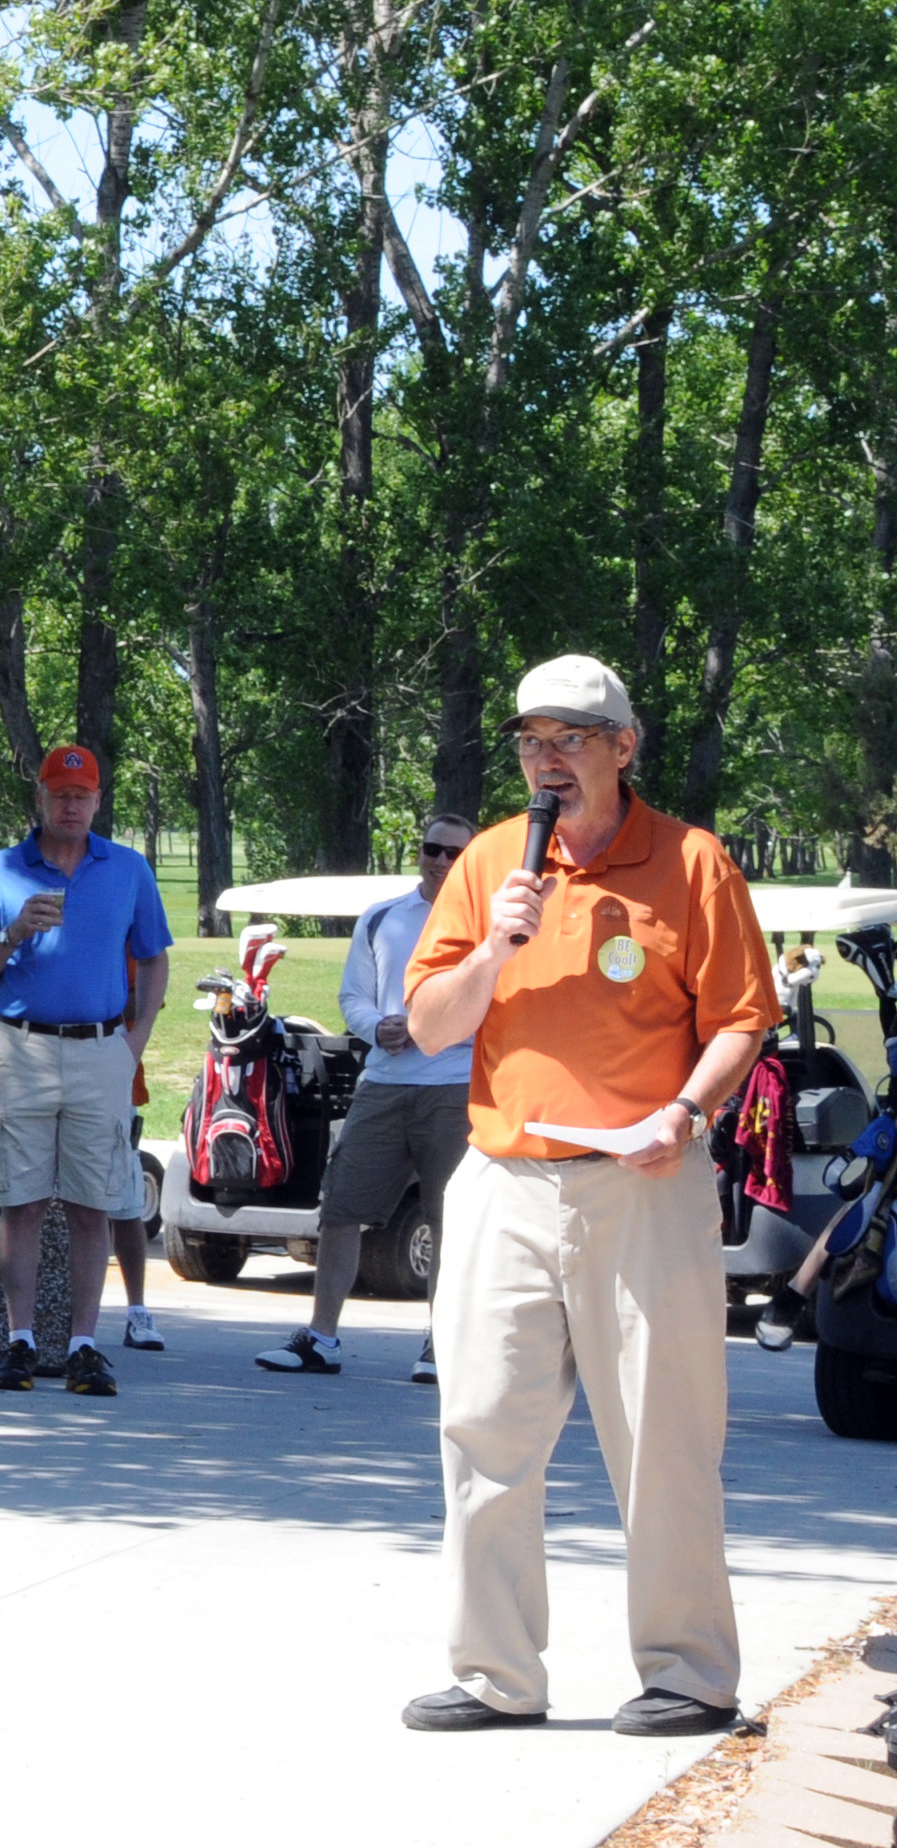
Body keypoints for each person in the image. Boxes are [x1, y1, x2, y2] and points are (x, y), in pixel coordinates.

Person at [398, 654, 775, 1739]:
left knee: (664, 1434)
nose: (547, 757)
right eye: (530, 739)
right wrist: (500, 944)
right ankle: (494, 1675)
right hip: (506, 1181)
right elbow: (431, 1026)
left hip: (644, 1183)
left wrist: (689, 1113)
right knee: (480, 1428)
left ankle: (689, 1672)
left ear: (625, 746)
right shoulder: (488, 868)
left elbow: (743, 1018)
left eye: (571, 736)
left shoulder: (693, 864)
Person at [0, 745, 174, 1392]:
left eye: (83, 795)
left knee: (91, 1204)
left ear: (98, 800)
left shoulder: (127, 869)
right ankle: (19, 1340)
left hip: (101, 1048)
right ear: (41, 800)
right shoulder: (0, 871)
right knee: (20, 1202)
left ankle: (82, 1346)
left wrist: (135, 1039)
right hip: (20, 1046)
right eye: (60, 795)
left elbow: (154, 957)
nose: (71, 806)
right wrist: (15, 933)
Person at [255, 812, 478, 1383]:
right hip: (383, 1082)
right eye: (433, 849)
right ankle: (322, 1338)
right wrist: (377, 1027)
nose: (442, 862)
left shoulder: (484, 926)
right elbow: (353, 994)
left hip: (456, 1085)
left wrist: (446, 1028)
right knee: (342, 1207)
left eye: (457, 854)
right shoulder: (383, 919)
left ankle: (443, 1345)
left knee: (449, 1218)